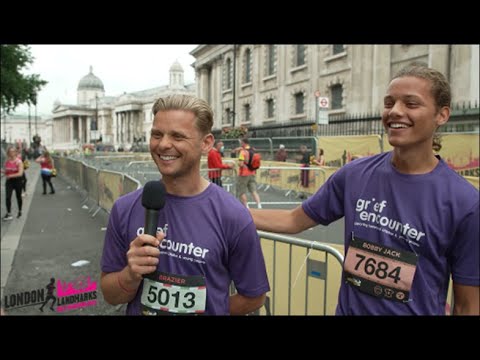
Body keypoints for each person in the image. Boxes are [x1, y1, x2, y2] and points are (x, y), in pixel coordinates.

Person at [249, 64, 479, 315]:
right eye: (389, 103)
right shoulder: (354, 174)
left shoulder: (465, 203)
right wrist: (227, 213)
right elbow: (294, 219)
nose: (395, 111)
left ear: (442, 115)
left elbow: (468, 305)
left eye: (411, 104)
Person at [100, 94, 269, 315]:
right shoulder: (125, 208)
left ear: (206, 143)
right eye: (157, 134)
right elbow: (110, 295)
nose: (163, 144)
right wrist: (130, 275)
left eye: (178, 136)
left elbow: (254, 297)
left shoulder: (233, 215)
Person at [236, 138, 262, 209]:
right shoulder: (253, 150)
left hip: (243, 174)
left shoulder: (243, 152)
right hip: (252, 172)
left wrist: (238, 163)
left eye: (241, 143)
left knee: (242, 191)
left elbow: (241, 164)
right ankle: (259, 205)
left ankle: (246, 207)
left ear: (243, 143)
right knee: (253, 190)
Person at [1, 146, 24, 220]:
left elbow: (20, 173)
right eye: (10, 152)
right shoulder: (7, 161)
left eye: (13, 151)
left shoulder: (19, 162)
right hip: (9, 182)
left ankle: (20, 211)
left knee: (18, 197)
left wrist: (10, 175)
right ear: (8, 153)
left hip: (18, 181)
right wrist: (2, 172)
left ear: (15, 153)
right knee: (8, 197)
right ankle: (9, 213)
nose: (11, 153)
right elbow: (6, 172)